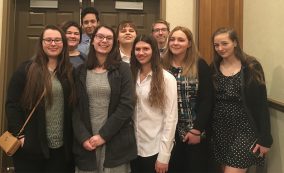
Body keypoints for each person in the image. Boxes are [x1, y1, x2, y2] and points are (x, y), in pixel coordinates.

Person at [5, 24, 75, 172]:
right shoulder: (26, 69)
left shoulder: (68, 72)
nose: (53, 44)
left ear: (63, 43)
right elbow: (12, 105)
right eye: (48, 40)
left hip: (61, 148)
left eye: (57, 40)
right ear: (41, 43)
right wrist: (21, 136)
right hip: (31, 146)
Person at [73, 25, 137, 173]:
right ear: (93, 41)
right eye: (100, 37)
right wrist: (83, 138)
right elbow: (74, 108)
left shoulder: (123, 69)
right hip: (87, 142)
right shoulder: (80, 71)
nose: (104, 41)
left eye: (109, 38)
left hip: (115, 139)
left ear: (114, 43)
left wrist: (103, 135)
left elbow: (127, 105)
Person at [211, 27, 273, 173]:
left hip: (245, 129)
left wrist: (265, 139)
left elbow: (261, 104)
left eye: (224, 43)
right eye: (216, 45)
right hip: (220, 129)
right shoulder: (213, 67)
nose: (220, 48)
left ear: (235, 43)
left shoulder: (251, 66)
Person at [161, 26, 213, 173]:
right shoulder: (161, 65)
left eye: (181, 40)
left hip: (193, 130)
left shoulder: (199, 65)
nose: (175, 43)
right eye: (172, 39)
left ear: (189, 43)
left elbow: (207, 100)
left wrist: (197, 130)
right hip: (168, 132)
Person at [130, 34, 178, 173]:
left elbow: (171, 118)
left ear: (154, 51)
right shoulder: (130, 75)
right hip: (132, 148)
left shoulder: (167, 79)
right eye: (137, 49)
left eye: (146, 49)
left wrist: (164, 156)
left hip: (154, 148)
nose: (141, 53)